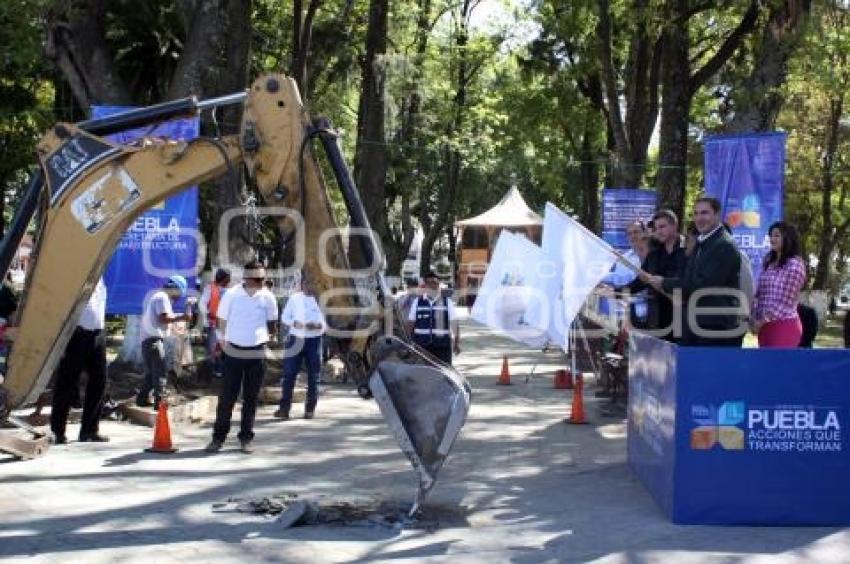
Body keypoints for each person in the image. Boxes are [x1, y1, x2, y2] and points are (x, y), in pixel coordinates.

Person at [647, 197, 743, 346]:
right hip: (695, 324)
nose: (699, 218)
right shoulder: (702, 242)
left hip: (714, 327)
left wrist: (664, 282)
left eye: (704, 213)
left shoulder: (723, 245)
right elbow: (688, 277)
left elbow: (702, 284)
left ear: (717, 215)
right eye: (696, 213)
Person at [206, 261, 278, 453]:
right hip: (233, 351)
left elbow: (272, 323)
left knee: (251, 398)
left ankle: (246, 438)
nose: (261, 282)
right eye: (258, 279)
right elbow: (221, 320)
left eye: (263, 279)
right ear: (246, 278)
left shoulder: (268, 297)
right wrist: (223, 342)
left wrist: (263, 335)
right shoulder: (231, 295)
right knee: (227, 397)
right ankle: (218, 438)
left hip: (256, 352)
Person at [50, 278, 109, 444]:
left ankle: (89, 430)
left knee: (100, 381)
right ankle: (58, 431)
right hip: (76, 333)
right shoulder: (80, 272)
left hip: (98, 333)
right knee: (67, 382)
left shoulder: (102, 279)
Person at [618, 210, 686, 341]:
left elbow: (686, 281)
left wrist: (662, 282)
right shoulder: (654, 254)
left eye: (662, 226)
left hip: (683, 315)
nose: (659, 231)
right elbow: (640, 281)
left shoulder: (688, 250)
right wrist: (617, 291)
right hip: (658, 316)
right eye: (656, 228)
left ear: (674, 226)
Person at [275, 275, 326, 420]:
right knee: (289, 374)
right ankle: (284, 409)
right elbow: (284, 317)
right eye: (307, 283)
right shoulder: (294, 299)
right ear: (303, 284)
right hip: (295, 340)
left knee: (313, 376)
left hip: (314, 341)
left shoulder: (320, 301)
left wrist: (318, 326)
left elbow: (325, 325)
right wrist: (294, 323)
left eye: (313, 283)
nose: (310, 286)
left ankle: (310, 409)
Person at [136, 275, 192, 408]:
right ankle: (160, 404)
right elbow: (164, 318)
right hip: (154, 341)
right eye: (179, 294)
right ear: (175, 288)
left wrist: (179, 318)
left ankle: (141, 399)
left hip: (147, 342)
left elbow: (164, 319)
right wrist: (183, 317)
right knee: (160, 372)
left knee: (151, 375)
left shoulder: (158, 296)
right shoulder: (162, 297)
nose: (177, 297)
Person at [752, 221, 807, 348]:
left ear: (788, 238)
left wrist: (760, 322)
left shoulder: (795, 265)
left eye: (777, 235)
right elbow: (759, 293)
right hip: (765, 327)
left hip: (784, 326)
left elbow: (785, 302)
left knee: (779, 366)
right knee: (766, 367)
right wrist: (753, 317)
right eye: (771, 235)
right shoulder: (768, 261)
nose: (772, 239)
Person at [406, 270, 460, 364]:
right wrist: (408, 342)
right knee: (422, 374)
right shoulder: (417, 302)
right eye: (429, 283)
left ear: (438, 285)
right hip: (421, 347)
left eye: (435, 283)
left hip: (442, 347)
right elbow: (410, 323)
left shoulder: (447, 302)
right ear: (425, 285)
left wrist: (456, 343)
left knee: (442, 375)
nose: (432, 285)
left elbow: (454, 323)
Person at [200, 268, 231, 377]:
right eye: (228, 277)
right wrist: (208, 313)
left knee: (222, 347)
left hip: (224, 324)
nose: (229, 280)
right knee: (212, 348)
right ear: (223, 278)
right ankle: (210, 371)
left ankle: (221, 369)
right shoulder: (210, 288)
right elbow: (202, 303)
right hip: (212, 324)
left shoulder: (228, 290)